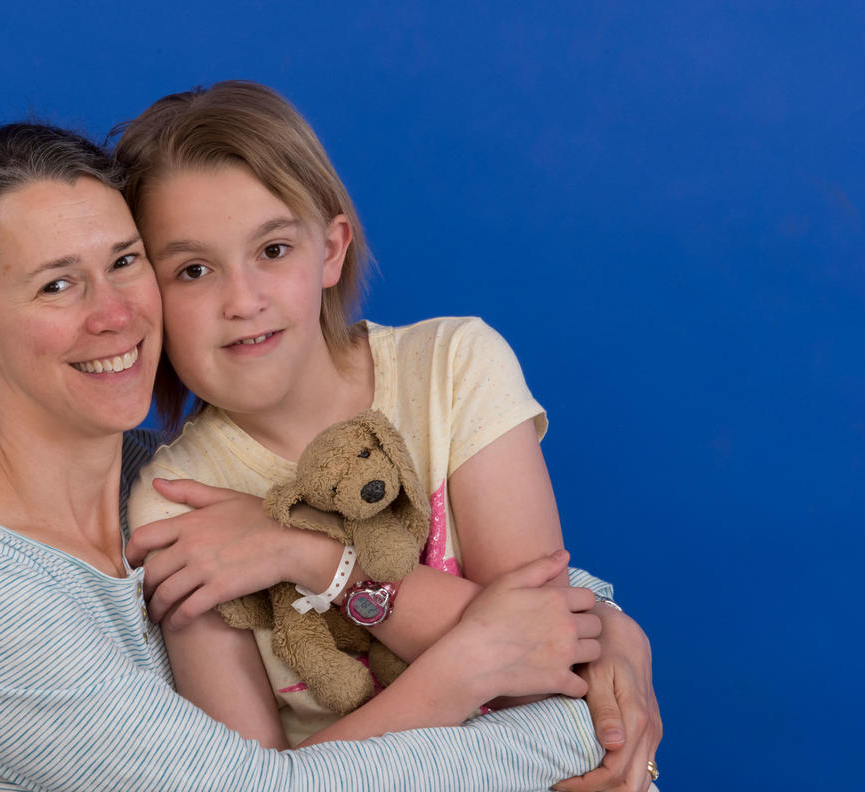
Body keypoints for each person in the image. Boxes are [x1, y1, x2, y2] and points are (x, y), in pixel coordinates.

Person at [0, 122, 620, 791]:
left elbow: (539, 603)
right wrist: (523, 694)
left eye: (123, 262)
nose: (113, 315)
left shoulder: (165, 479)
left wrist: (617, 638)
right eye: (56, 286)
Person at [116, 81, 661, 789]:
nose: (242, 300)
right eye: (193, 270)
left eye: (274, 249)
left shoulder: (453, 367)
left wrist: (307, 556)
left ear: (331, 250)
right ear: (148, 296)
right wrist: (465, 668)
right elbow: (251, 783)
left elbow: (545, 654)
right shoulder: (173, 505)